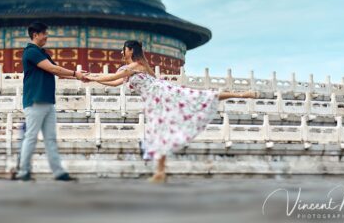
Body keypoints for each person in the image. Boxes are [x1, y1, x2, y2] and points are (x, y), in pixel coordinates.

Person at [86, 40, 260, 183]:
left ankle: (242, 94)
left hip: (163, 94)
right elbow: (113, 82)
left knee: (201, 96)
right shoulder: (130, 69)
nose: (122, 53)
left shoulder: (136, 66)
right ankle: (160, 172)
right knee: (159, 132)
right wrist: (89, 78)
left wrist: (89, 77)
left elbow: (111, 77)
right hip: (155, 101)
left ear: (130, 50)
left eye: (123, 50)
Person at [12, 22, 87, 181]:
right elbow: (53, 69)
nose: (46, 36)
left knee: (50, 139)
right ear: (35, 35)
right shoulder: (31, 52)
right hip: (35, 100)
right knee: (31, 136)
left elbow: (59, 72)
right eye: (44, 33)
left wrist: (81, 76)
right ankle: (23, 172)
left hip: (47, 100)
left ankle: (58, 172)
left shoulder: (43, 53)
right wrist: (76, 73)